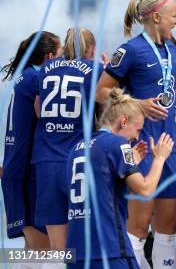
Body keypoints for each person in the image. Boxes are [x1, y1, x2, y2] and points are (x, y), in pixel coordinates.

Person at [96, 0, 176, 269]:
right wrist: (137, 104)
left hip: (169, 145)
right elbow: (101, 91)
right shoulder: (130, 50)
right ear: (156, 17)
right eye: (174, 15)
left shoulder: (170, 49)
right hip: (142, 145)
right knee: (138, 228)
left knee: (168, 229)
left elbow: (167, 93)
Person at [66, 88, 174, 269]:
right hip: (110, 249)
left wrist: (129, 163)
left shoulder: (76, 148)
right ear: (123, 121)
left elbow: (101, 184)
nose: (137, 136)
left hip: (77, 252)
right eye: (138, 129)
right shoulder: (118, 144)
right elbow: (146, 190)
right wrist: (160, 158)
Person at [32, 27, 98, 254]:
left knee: (58, 249)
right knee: (85, 244)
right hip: (78, 160)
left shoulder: (46, 69)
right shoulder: (93, 69)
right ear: (90, 48)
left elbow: (38, 108)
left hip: (47, 159)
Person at [1, 31, 61, 251]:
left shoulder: (24, 77)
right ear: (49, 58)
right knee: (44, 251)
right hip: (27, 175)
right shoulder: (38, 80)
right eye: (61, 55)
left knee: (32, 251)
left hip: (15, 172)